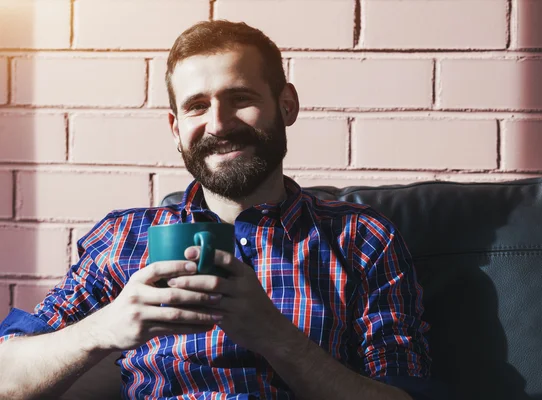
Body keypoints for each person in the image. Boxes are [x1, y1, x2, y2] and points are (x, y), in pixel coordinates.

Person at [0, 20, 434, 399]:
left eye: (239, 98)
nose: (219, 123)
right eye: (197, 106)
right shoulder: (122, 238)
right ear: (176, 128)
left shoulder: (360, 237)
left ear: (286, 105)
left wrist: (275, 337)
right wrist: (105, 328)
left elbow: (402, 393)